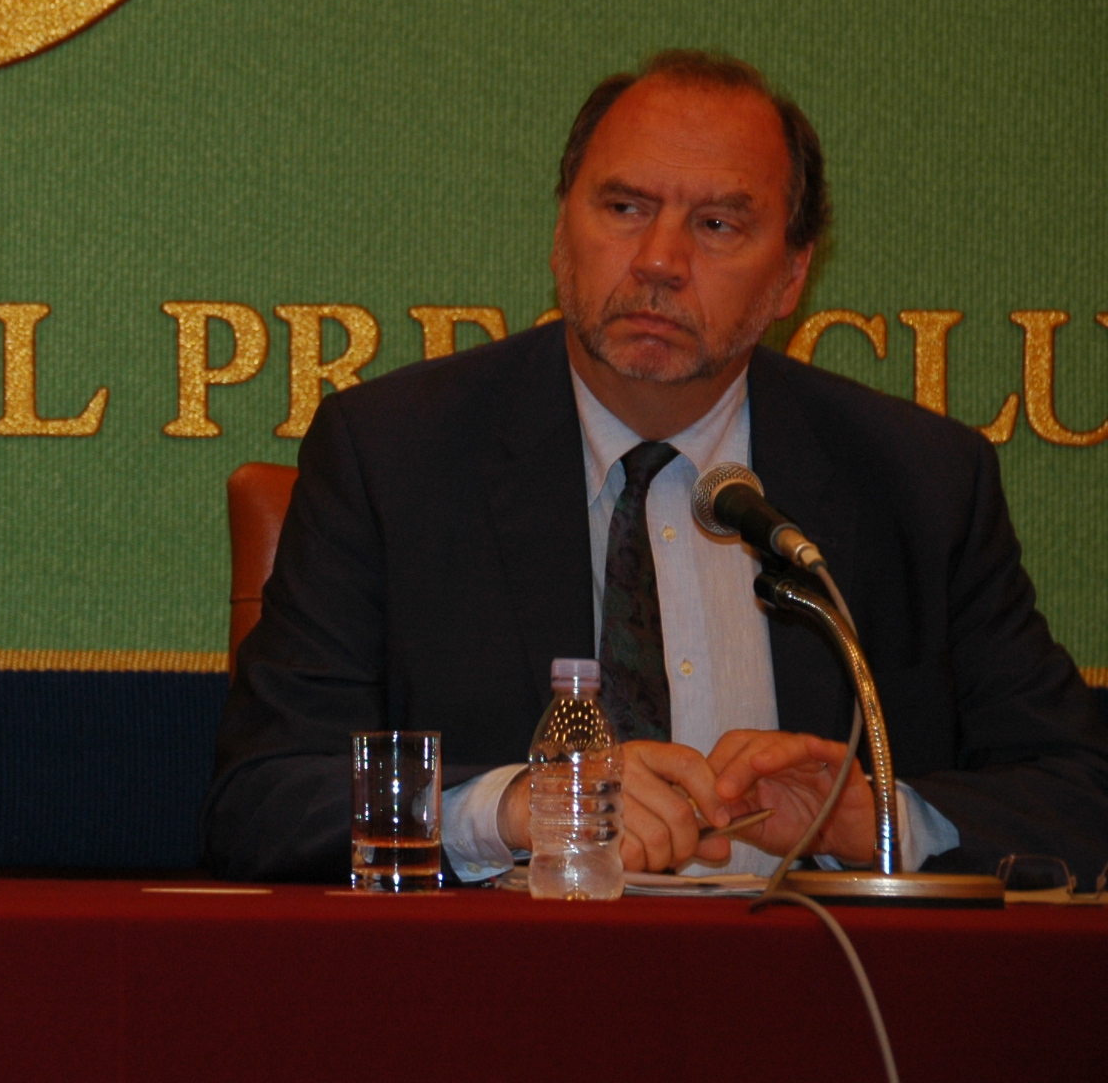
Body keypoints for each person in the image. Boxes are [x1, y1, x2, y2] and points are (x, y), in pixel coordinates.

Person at [205, 51, 1108, 884]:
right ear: (561, 231)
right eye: (625, 208)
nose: (661, 262)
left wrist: (872, 820)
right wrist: (514, 809)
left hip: (811, 990)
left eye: (717, 224)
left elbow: (1080, 792)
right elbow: (264, 797)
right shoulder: (394, 455)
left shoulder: (917, 482)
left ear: (793, 276)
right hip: (502, 989)